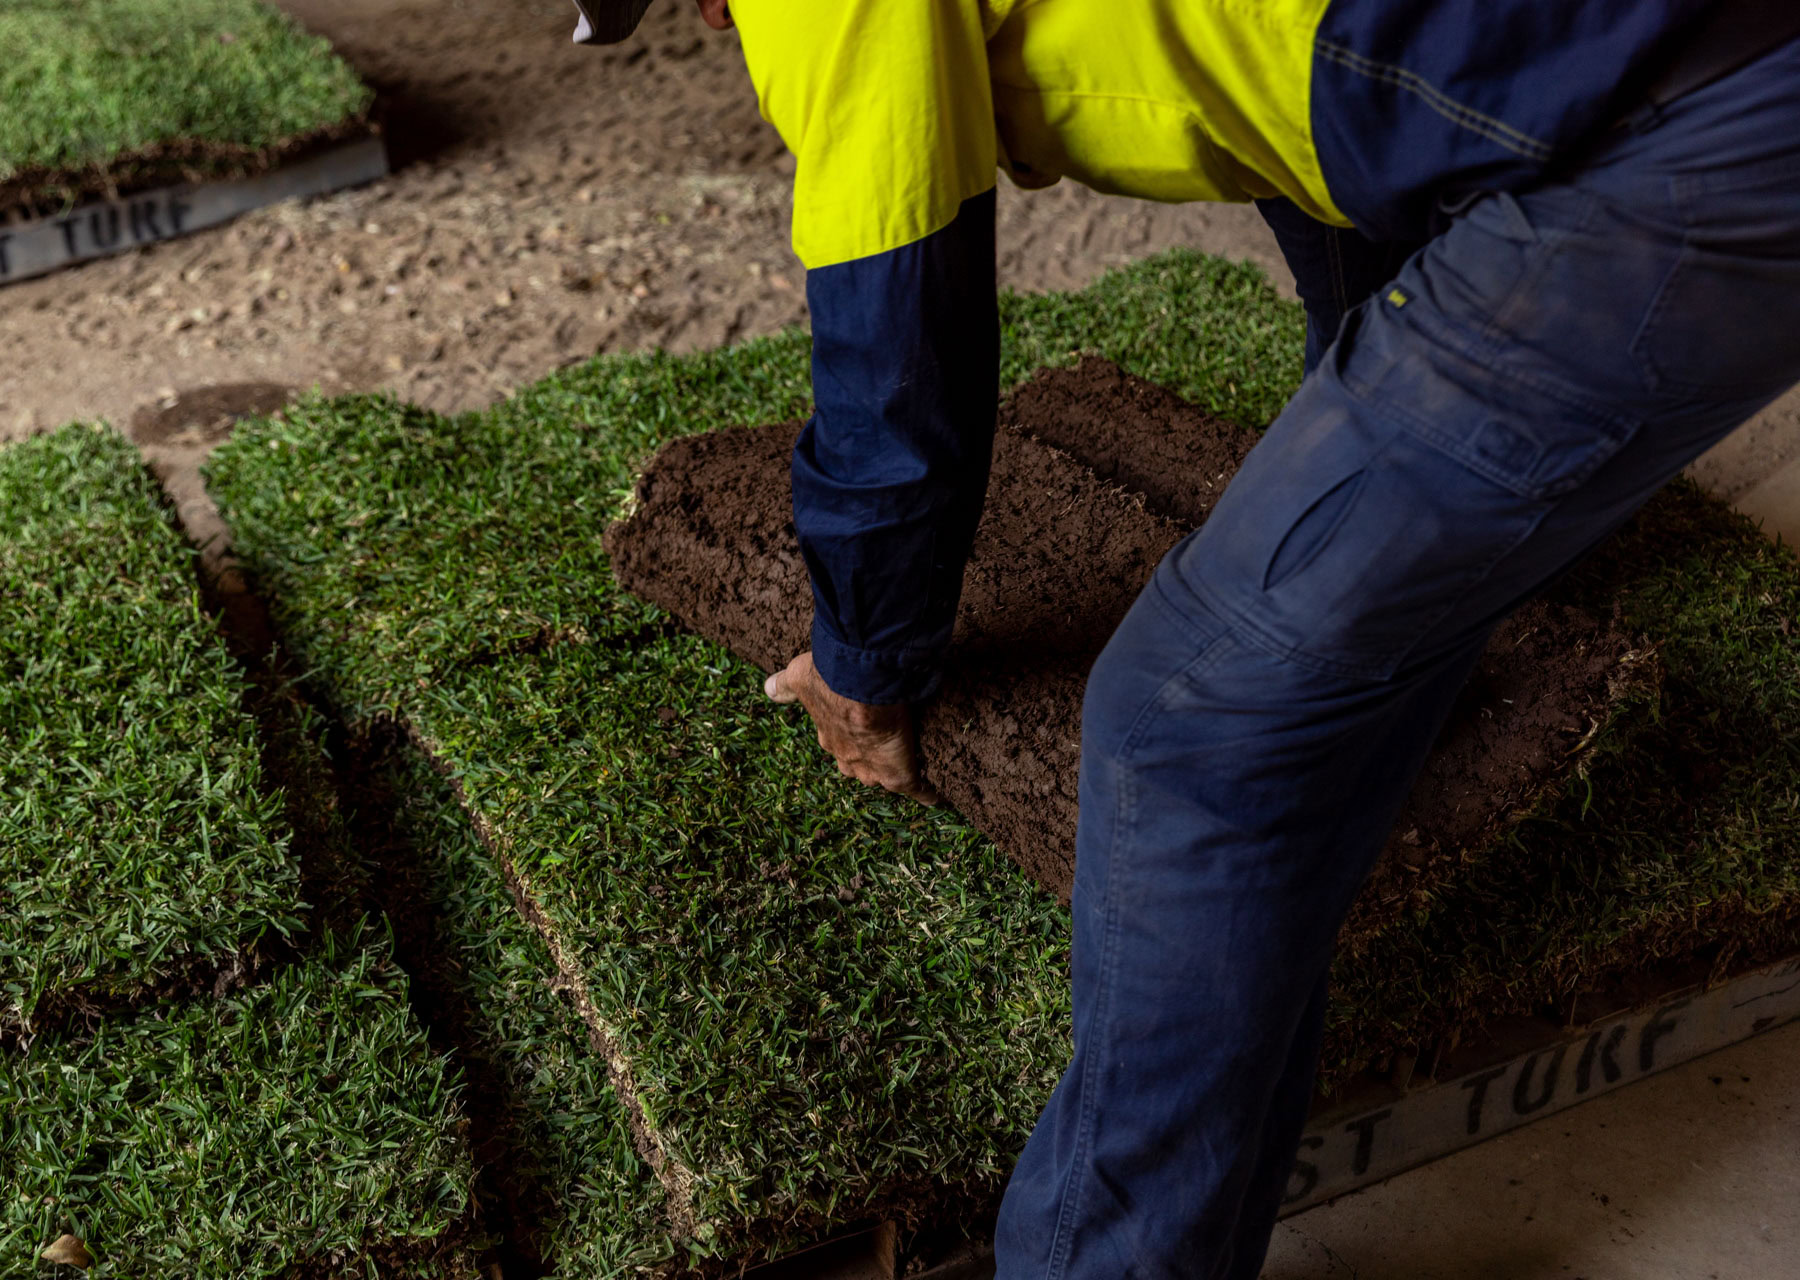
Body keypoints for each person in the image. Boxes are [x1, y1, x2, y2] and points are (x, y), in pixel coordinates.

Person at [574, 2, 1800, 1275]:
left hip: (1683, 137)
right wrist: (1358, 380)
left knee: (1184, 724)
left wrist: (865, 660)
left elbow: (898, 326)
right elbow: (1319, 126)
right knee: (1342, 602)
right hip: (1667, 83)